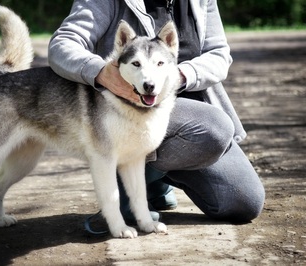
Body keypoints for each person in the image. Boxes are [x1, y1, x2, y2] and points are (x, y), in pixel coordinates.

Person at [48, 0, 265, 227]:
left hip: (190, 111)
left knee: (245, 202)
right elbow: (62, 45)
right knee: (214, 126)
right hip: (126, 113)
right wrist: (101, 72)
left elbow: (219, 54)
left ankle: (154, 177)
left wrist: (178, 76)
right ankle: (127, 194)